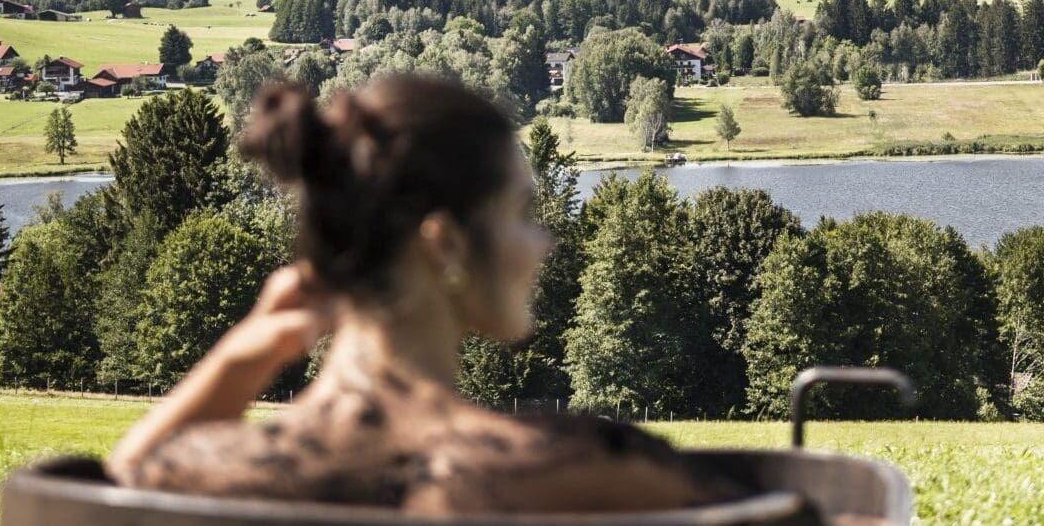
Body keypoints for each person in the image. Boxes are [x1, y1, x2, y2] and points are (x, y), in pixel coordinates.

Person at [107, 75, 727, 514]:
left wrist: (241, 357)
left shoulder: (202, 472)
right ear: (445, 244)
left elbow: (101, 495)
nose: (543, 244)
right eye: (519, 213)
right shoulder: (587, 470)